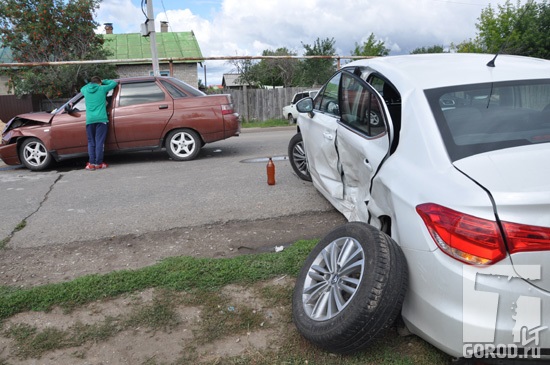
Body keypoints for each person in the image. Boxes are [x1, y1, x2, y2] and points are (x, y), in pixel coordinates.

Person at [80, 76, 118, 171]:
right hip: (101, 119)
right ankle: (99, 163)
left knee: (91, 142)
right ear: (99, 83)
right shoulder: (102, 88)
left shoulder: (86, 90)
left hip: (89, 120)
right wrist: (104, 81)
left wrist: (91, 83)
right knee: (99, 142)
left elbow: (82, 88)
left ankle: (91, 164)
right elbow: (114, 83)